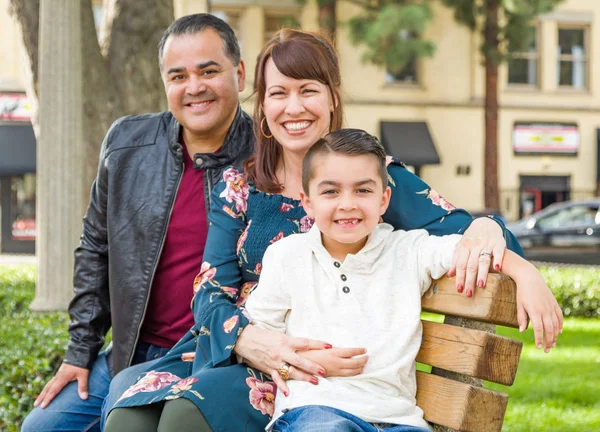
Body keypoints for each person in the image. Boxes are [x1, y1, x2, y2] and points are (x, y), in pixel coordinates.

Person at [103, 29, 562, 432]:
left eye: (308, 90)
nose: (294, 107)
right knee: (127, 415)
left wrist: (516, 261)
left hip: (315, 371)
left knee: (185, 417)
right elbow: (209, 287)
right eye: (279, 93)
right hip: (238, 345)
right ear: (262, 108)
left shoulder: (372, 178)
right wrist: (249, 339)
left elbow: (468, 234)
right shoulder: (239, 185)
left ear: (332, 99)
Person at [22, 14, 252, 432]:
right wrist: (80, 353)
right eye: (178, 75)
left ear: (239, 72)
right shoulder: (128, 142)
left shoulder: (268, 157)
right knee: (43, 426)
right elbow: (95, 249)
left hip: (216, 357)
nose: (194, 87)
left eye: (208, 71)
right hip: (129, 352)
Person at [243, 128, 559, 432]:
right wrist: (301, 364)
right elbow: (260, 343)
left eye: (363, 190)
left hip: (399, 419)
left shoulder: (409, 250)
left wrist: (525, 272)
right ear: (308, 202)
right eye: (330, 191)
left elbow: (472, 250)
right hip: (317, 411)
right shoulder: (286, 256)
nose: (348, 203)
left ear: (384, 200)